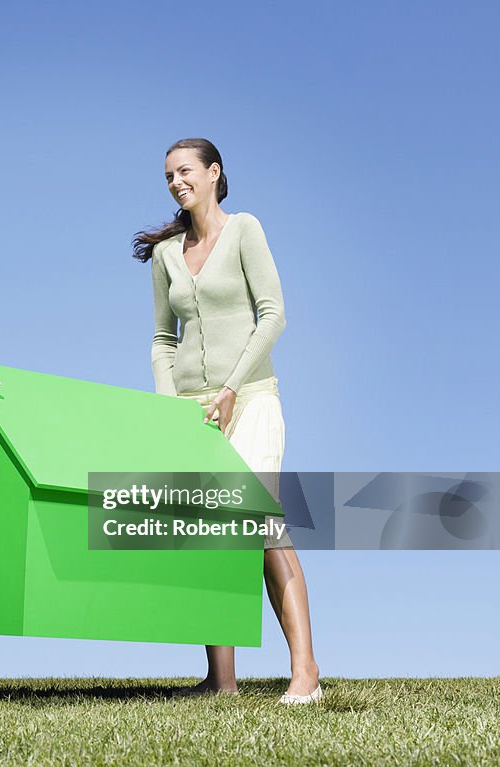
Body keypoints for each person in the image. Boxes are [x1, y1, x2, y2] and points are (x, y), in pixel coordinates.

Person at [134, 138, 321, 704]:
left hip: (252, 398)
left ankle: (305, 673)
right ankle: (222, 682)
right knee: (210, 539)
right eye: (168, 175)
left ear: (214, 173)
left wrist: (234, 388)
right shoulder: (168, 254)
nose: (175, 182)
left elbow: (274, 315)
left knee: (263, 528)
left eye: (185, 171)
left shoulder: (244, 230)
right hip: (194, 409)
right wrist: (170, 407)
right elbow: (164, 341)